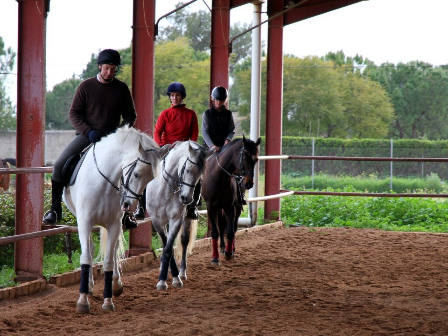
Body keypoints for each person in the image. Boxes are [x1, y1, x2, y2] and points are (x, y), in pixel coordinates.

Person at [42, 49, 138, 229]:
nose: (109, 72)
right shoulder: (85, 87)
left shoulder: (122, 89)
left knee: (133, 168)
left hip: (113, 140)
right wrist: (88, 131)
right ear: (100, 66)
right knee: (59, 165)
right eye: (106, 68)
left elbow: (131, 116)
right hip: (88, 137)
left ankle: (126, 214)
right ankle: (54, 210)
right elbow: (74, 114)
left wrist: (119, 132)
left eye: (113, 69)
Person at [134, 82, 199, 220]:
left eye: (178, 95)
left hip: (184, 151)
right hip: (167, 149)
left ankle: (193, 207)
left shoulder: (191, 114)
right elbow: (157, 132)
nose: (175, 98)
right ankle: (141, 206)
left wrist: (185, 146)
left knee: (196, 173)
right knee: (149, 171)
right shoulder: (165, 114)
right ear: (170, 97)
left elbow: (194, 134)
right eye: (172, 95)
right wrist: (164, 146)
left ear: (182, 97)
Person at [202, 86, 235, 152]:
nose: (219, 103)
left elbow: (231, 130)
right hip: (208, 147)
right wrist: (212, 146)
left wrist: (228, 139)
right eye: (217, 100)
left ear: (224, 101)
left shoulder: (228, 114)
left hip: (224, 147)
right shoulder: (207, 114)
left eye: (221, 100)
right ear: (213, 99)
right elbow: (205, 132)